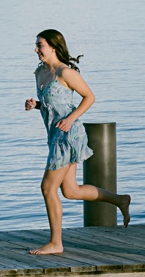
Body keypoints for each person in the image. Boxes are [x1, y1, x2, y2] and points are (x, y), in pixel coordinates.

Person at [23, 29, 130, 255]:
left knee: (47, 188)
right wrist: (36, 105)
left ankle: (56, 243)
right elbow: (53, 105)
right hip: (55, 136)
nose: (36, 49)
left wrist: (71, 119)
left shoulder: (66, 73)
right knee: (70, 191)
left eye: (40, 45)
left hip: (68, 137)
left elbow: (89, 97)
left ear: (53, 47)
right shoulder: (39, 72)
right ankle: (120, 200)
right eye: (36, 45)